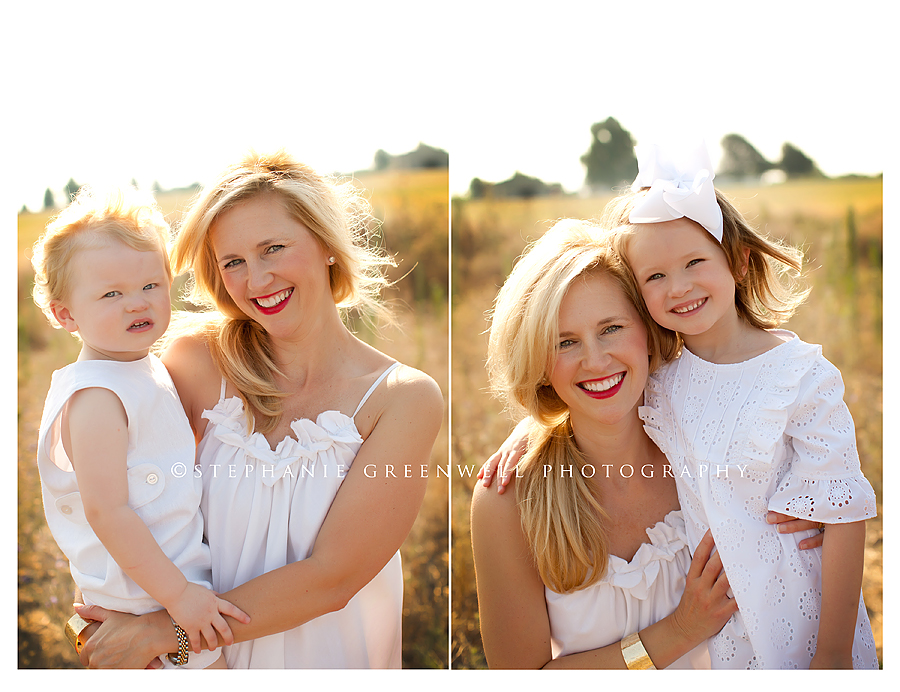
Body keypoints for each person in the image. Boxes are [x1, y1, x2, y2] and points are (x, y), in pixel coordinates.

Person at [72, 151, 444, 668]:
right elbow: (116, 495)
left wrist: (164, 633)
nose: (257, 280)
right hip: (202, 668)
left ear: (326, 245)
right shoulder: (196, 363)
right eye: (233, 262)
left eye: (274, 248)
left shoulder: (402, 398)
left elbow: (332, 578)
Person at [471, 219, 823, 669]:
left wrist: (815, 523)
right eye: (565, 342)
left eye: (612, 328)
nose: (595, 360)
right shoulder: (508, 500)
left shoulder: (712, 447)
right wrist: (678, 631)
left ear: (647, 330)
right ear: (537, 360)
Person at [599, 141, 878, 668]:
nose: (678, 287)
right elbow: (595, 406)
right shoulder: (660, 380)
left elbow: (842, 514)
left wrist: (834, 653)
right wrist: (524, 438)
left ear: (739, 260)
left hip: (801, 609)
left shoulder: (799, 376)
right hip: (719, 620)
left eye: (694, 262)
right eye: (654, 276)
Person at [32, 186, 250, 669]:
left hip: (170, 587)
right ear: (64, 313)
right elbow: (107, 512)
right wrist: (180, 597)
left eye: (151, 286)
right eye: (111, 294)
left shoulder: (142, 368)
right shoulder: (96, 396)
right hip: (145, 600)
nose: (137, 303)